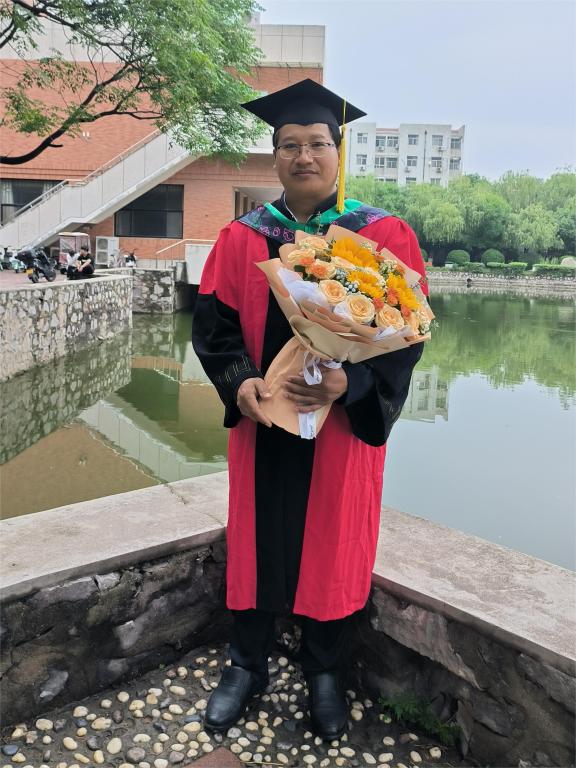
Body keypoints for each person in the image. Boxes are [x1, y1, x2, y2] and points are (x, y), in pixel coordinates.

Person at [192, 79, 428, 740]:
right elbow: (213, 329)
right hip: (264, 427)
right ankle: (247, 664)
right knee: (257, 540)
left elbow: (407, 337)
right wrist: (240, 384)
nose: (304, 156)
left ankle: (324, 670)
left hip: (341, 434)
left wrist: (350, 386)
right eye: (290, 144)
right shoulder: (241, 238)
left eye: (318, 143)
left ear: (337, 152)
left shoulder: (382, 235)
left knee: (334, 543)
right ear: (274, 156)